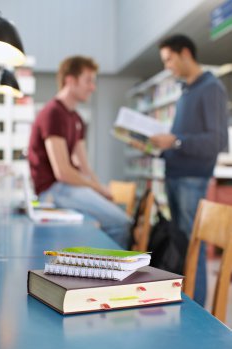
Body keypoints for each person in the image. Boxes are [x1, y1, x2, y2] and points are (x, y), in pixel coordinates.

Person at [148, 35, 228, 306]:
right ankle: (184, 301)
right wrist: (162, 144)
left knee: (194, 246)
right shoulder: (185, 91)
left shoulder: (211, 88)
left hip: (192, 179)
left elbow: (216, 142)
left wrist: (177, 141)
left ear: (185, 53)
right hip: (175, 175)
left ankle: (197, 308)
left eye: (169, 59)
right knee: (181, 245)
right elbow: (180, 138)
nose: (168, 66)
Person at [28, 56, 131, 248]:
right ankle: (115, 275)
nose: (93, 87)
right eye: (88, 80)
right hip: (53, 191)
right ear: (70, 80)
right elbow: (63, 172)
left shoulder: (77, 119)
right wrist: (97, 188)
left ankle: (99, 268)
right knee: (120, 223)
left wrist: (98, 186)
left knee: (117, 216)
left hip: (67, 188)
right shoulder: (53, 113)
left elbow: (84, 166)